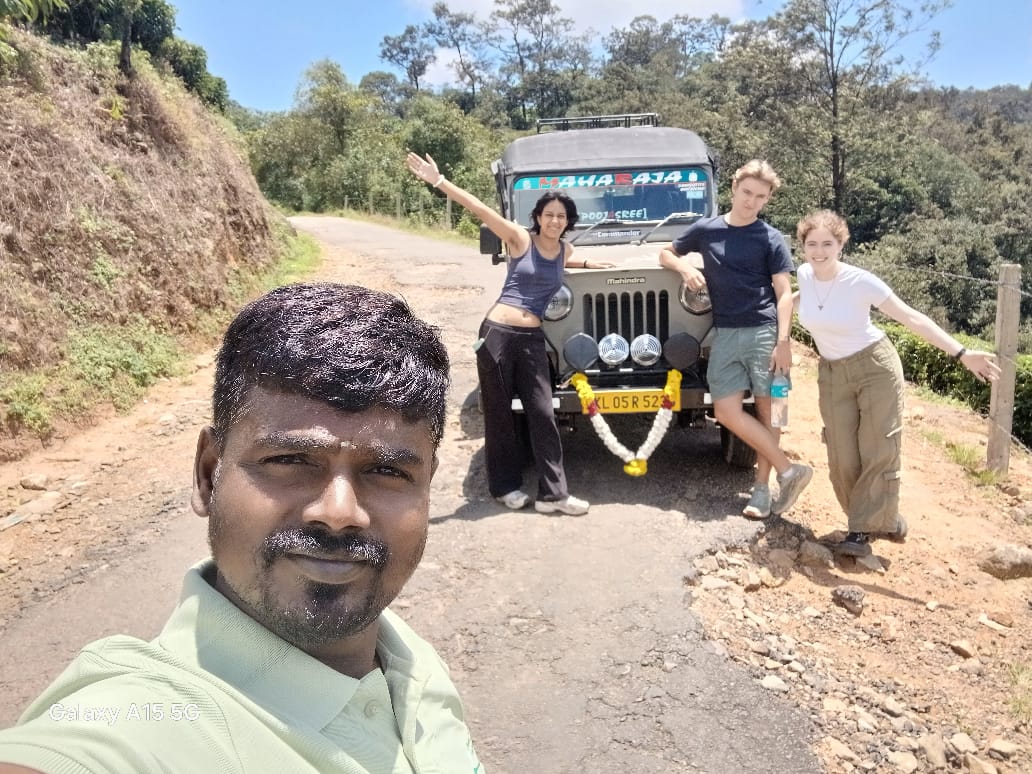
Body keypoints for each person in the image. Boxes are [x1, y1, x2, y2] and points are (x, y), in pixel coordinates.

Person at [0, 283, 485, 773]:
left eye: (387, 471)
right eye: (290, 460)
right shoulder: (134, 725)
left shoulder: (408, 661)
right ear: (208, 474)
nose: (339, 512)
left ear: (426, 485)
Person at [406, 151, 608, 516]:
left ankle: (554, 495)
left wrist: (592, 263)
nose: (555, 220)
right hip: (498, 333)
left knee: (543, 412)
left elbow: (567, 263)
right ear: (538, 217)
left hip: (532, 339)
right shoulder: (520, 239)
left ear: (568, 222)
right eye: (549, 215)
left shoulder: (565, 250)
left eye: (561, 216)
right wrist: (438, 181)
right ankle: (505, 487)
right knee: (499, 414)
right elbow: (480, 210)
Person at [794, 210, 1001, 557]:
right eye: (811, 244)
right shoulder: (804, 274)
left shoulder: (861, 282)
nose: (818, 251)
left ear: (841, 244)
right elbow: (798, 299)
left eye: (827, 243)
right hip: (831, 371)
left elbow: (910, 317)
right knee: (841, 454)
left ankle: (859, 531)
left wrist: (961, 352)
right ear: (802, 247)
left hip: (875, 366)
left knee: (878, 447)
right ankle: (883, 520)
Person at [659, 159, 813, 519]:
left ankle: (762, 491)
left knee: (770, 411)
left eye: (760, 196)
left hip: (764, 333)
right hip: (725, 333)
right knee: (726, 411)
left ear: (767, 199)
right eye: (747, 192)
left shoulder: (769, 237)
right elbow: (667, 252)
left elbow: (784, 292)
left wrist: (784, 341)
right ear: (734, 188)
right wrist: (684, 268)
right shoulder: (707, 229)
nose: (751, 201)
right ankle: (790, 471)